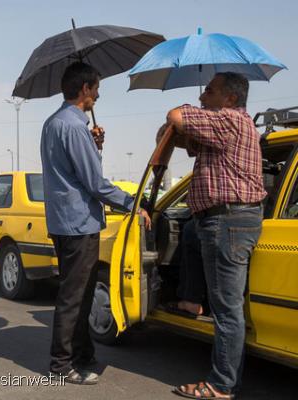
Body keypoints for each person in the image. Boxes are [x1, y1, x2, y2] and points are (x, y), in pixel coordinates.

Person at [40, 62, 151, 385]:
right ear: (85, 89)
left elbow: (76, 172)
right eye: (97, 89)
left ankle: (82, 355)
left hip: (64, 222)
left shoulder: (54, 122)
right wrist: (133, 204)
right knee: (74, 296)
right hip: (78, 223)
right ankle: (61, 364)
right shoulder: (73, 126)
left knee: (81, 293)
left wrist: (95, 146)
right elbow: (95, 183)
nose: (98, 96)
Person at [166, 72, 266, 399]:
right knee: (192, 233)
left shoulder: (229, 122)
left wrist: (186, 116)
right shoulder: (231, 127)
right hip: (223, 220)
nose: (202, 96)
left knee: (226, 309)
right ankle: (190, 300)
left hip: (227, 221)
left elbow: (175, 117)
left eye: (209, 91)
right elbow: (182, 137)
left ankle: (221, 384)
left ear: (230, 99)